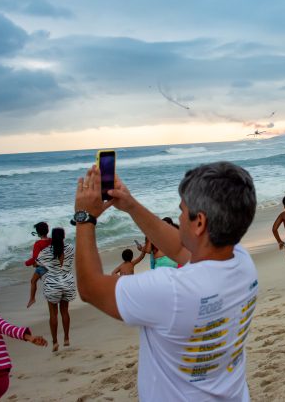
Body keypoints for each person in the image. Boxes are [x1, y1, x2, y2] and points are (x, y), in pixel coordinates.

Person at [72, 161, 258, 400]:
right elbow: (180, 247)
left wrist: (84, 217)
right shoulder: (242, 262)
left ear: (199, 222)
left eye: (181, 210)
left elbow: (90, 288)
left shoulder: (172, 290)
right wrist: (131, 205)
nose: (179, 217)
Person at [36, 227, 76, 352]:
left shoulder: (46, 252)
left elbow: (36, 264)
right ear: (64, 236)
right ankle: (66, 338)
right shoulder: (70, 248)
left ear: (52, 237)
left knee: (53, 314)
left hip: (53, 284)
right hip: (68, 282)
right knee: (65, 311)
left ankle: (54, 342)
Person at [25, 222, 51, 308]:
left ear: (38, 232)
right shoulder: (52, 240)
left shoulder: (38, 243)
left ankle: (32, 298)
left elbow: (35, 258)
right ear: (47, 231)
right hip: (52, 265)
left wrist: (27, 263)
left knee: (33, 281)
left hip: (43, 267)